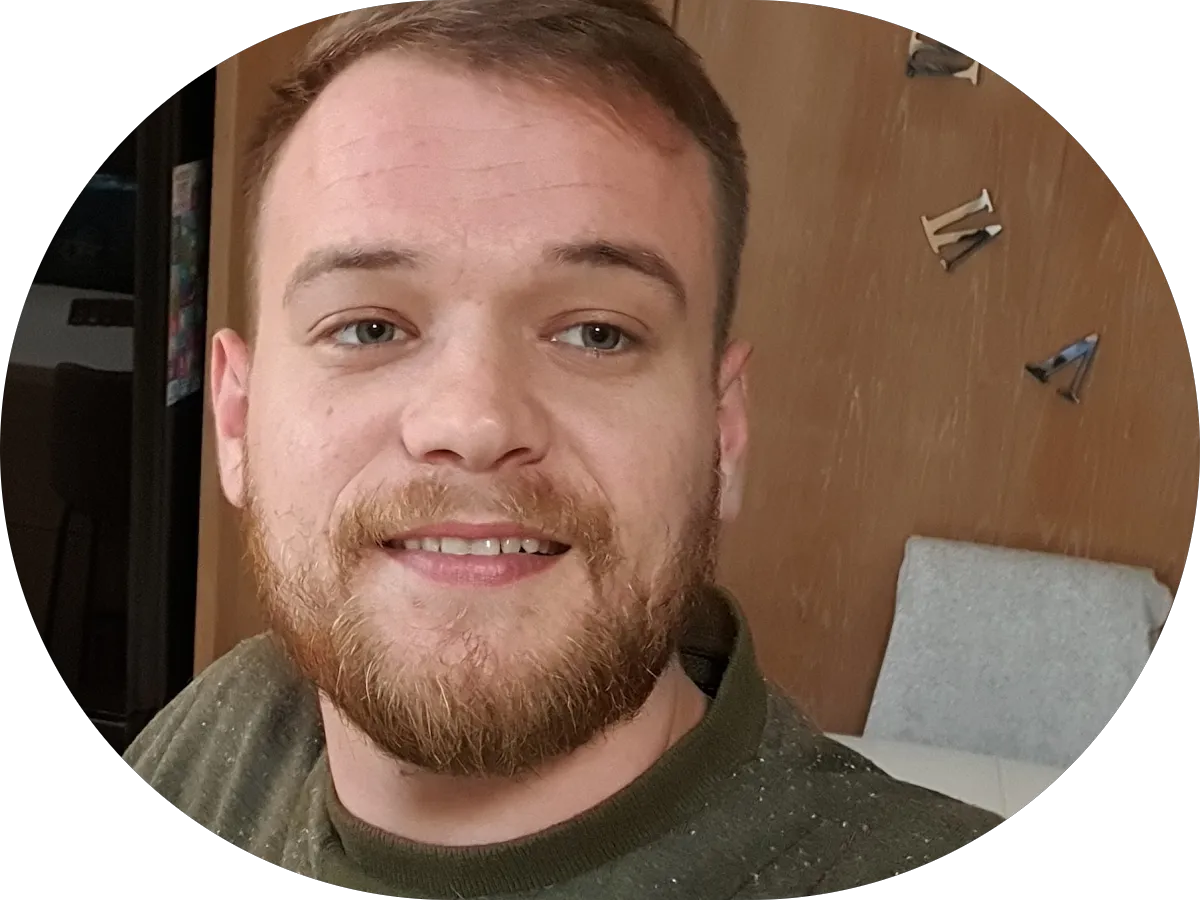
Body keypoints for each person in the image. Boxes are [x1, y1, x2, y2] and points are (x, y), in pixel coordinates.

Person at [123, 1, 1002, 896]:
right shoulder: (230, 723)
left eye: (596, 334)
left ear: (723, 432)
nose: (475, 423)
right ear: (235, 420)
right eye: (368, 327)